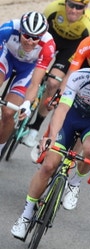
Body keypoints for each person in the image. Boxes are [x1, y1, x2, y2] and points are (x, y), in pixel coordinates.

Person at [12, 51, 90, 239]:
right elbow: (62, 109)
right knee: (48, 166)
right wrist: (51, 136)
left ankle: (75, 183)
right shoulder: (78, 78)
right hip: (70, 119)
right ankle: (25, 216)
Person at [22, 0, 90, 148]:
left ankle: (34, 128)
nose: (74, 10)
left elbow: (83, 53)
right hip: (51, 37)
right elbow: (38, 31)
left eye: (79, 7)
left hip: (71, 47)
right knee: (31, 68)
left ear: (85, 7)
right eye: (70, 4)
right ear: (65, 1)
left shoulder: (89, 25)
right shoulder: (52, 9)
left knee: (53, 82)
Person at [0, 12, 56, 155]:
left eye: (35, 38)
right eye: (26, 36)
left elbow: (34, 83)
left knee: (8, 112)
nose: (30, 41)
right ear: (20, 30)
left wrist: (26, 103)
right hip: (7, 58)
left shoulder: (48, 45)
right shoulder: (8, 29)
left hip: (28, 69)